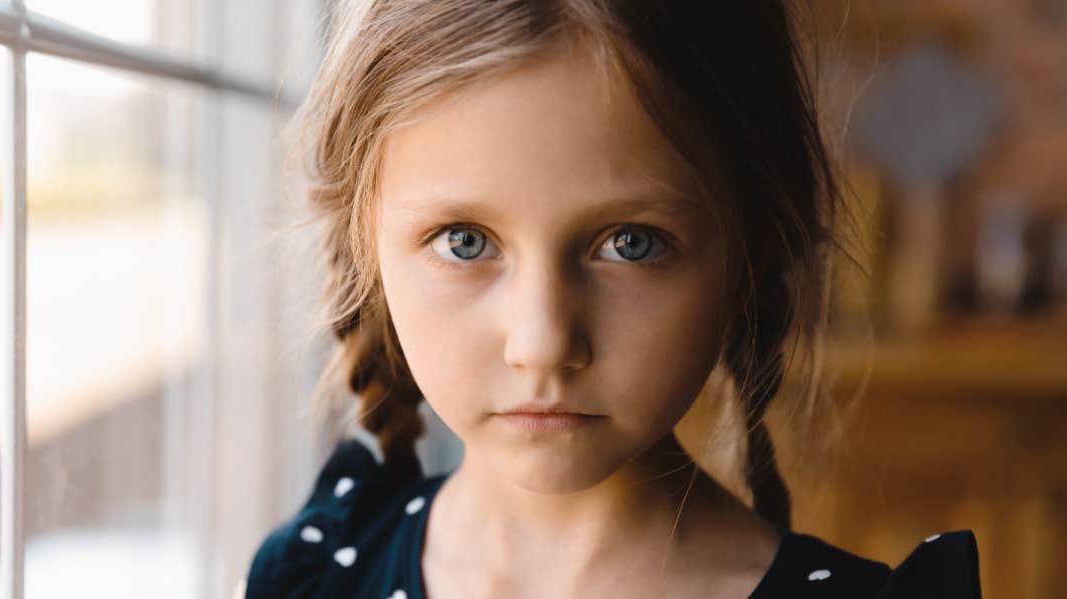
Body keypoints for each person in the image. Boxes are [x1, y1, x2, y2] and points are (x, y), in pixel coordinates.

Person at [244, 1, 982, 597]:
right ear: (365, 243)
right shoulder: (311, 576)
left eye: (631, 242)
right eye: (464, 241)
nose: (541, 341)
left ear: (754, 245)